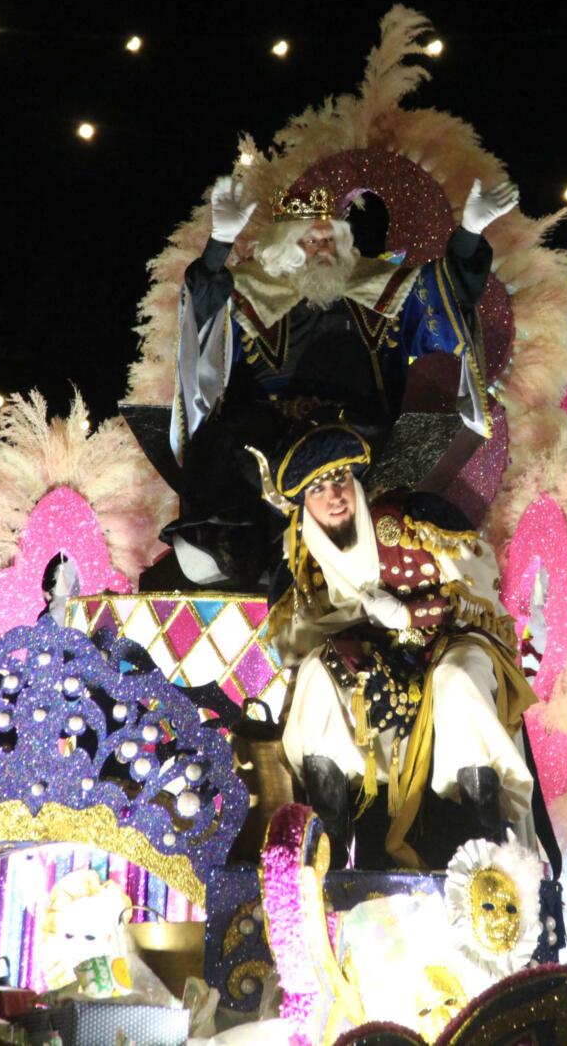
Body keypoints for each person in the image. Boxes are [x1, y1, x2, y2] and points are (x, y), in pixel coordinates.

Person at [164, 172, 519, 585]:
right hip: (265, 442)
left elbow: (447, 292)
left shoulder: (379, 289)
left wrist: (470, 232)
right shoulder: (246, 291)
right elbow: (202, 311)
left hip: (363, 441)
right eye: (309, 241)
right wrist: (219, 245)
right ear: (284, 248)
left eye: (329, 239)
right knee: (216, 463)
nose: (322, 249)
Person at [257, 423, 536, 868]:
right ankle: (326, 853)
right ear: (304, 505)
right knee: (313, 678)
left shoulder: (409, 520)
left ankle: (490, 851)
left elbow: (480, 596)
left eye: (341, 481)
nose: (334, 497)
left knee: (456, 678)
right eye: (318, 489)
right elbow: (296, 644)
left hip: (450, 646)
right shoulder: (302, 565)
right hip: (376, 673)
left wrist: (410, 614)